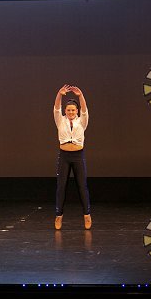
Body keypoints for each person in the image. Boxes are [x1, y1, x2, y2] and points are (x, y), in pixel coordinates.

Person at [53, 84, 91, 230]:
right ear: (65, 111)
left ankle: (87, 215)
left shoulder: (82, 121)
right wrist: (59, 94)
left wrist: (80, 96)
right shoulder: (60, 120)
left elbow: (85, 110)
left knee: (82, 186)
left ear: (76, 111)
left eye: (73, 110)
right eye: (68, 110)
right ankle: (58, 215)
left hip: (78, 156)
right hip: (64, 156)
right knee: (61, 186)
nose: (70, 112)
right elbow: (56, 108)